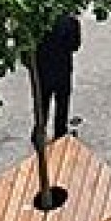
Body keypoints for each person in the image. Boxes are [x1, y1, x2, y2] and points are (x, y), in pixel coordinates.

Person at [35, 11, 80, 141]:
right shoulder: (70, 21)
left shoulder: (37, 21)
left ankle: (39, 129)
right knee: (62, 102)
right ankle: (59, 131)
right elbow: (75, 45)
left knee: (42, 101)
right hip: (62, 67)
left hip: (42, 67)